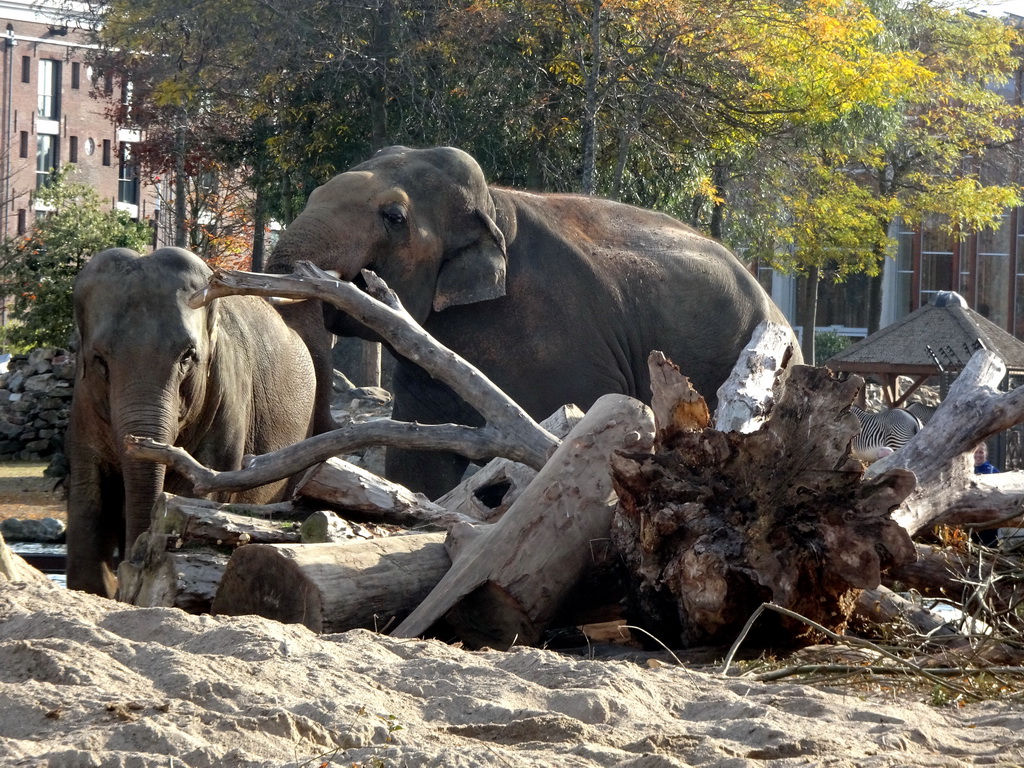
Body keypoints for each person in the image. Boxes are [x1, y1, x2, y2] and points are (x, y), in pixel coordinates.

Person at [973, 442, 1000, 545]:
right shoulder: (967, 469)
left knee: (989, 545)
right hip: (972, 516)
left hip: (989, 516)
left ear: (986, 454)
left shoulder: (993, 471)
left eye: (981, 452)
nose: (978, 455)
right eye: (975, 452)